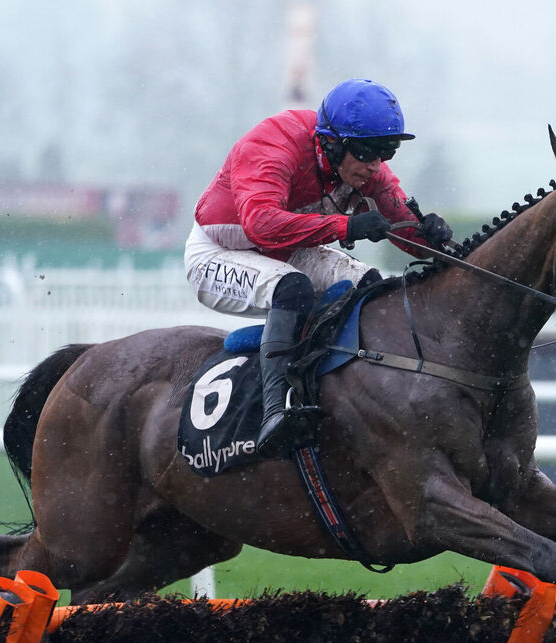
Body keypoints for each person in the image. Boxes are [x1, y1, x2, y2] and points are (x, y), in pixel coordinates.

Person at [184, 78, 453, 457]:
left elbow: (408, 233)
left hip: (285, 249)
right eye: (366, 152)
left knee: (371, 287)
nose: (375, 165)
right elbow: (260, 223)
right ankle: (275, 414)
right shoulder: (272, 144)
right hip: (216, 253)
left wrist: (432, 235)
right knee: (291, 288)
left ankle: (354, 394)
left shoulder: (366, 167)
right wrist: (347, 225)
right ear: (331, 141)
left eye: (386, 152)